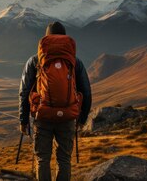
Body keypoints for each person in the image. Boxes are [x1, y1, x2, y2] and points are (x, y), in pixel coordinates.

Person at [18, 21, 92, 181]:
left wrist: (23, 120)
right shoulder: (75, 62)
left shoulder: (34, 61)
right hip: (67, 118)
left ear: (46, 38)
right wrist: (82, 118)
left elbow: (24, 92)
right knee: (64, 159)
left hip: (42, 116)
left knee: (43, 159)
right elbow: (86, 91)